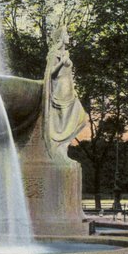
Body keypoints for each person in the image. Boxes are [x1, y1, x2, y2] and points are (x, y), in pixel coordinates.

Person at [42, 26, 87, 160]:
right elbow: (51, 73)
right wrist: (62, 62)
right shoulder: (54, 53)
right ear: (61, 37)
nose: (68, 36)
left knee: (81, 118)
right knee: (62, 123)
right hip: (60, 91)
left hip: (69, 91)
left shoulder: (65, 52)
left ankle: (63, 148)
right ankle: (58, 150)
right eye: (66, 34)